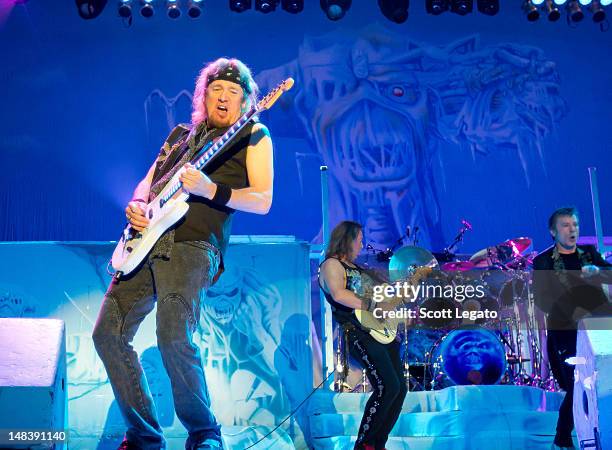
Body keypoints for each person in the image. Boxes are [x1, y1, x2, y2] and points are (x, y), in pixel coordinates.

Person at [92, 57, 274, 450]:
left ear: (246, 102)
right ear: (203, 95)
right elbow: (148, 181)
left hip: (193, 244)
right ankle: (143, 436)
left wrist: (212, 190)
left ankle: (205, 434)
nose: (224, 99)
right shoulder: (179, 136)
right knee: (107, 334)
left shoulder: (254, 134)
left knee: (174, 335)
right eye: (217, 90)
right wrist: (138, 203)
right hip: (144, 244)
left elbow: (263, 199)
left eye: (234, 93)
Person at [318, 221, 406, 450]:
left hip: (379, 332)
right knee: (387, 386)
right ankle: (364, 444)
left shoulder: (359, 268)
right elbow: (339, 294)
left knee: (399, 388)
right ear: (347, 239)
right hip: (358, 332)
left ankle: (378, 443)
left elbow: (380, 297)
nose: (362, 244)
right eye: (359, 239)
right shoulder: (331, 265)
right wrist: (373, 304)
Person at [533, 207, 612, 450]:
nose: (572, 230)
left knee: (601, 381)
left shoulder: (588, 254)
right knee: (576, 383)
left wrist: (599, 271)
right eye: (566, 225)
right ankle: (563, 437)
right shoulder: (543, 261)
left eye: (575, 224)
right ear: (553, 231)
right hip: (565, 331)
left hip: (597, 329)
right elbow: (542, 300)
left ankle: (578, 437)